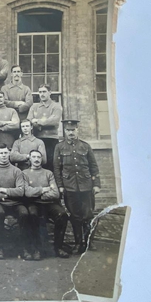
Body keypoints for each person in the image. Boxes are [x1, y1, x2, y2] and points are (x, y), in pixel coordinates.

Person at [53, 119, 101, 254]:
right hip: (70, 187)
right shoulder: (59, 147)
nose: (71, 133)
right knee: (75, 216)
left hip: (86, 186)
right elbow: (57, 169)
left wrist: (96, 184)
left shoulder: (85, 146)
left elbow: (93, 166)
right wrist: (60, 186)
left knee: (88, 215)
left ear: (77, 130)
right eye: (68, 130)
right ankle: (78, 243)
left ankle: (89, 242)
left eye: (73, 130)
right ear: (64, 131)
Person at [24, 149, 70, 259]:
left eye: (38, 157)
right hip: (33, 204)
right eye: (34, 157)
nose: (36, 159)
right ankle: (36, 249)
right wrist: (44, 189)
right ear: (29, 159)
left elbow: (55, 193)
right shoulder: (24, 173)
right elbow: (27, 192)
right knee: (32, 216)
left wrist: (39, 194)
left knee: (62, 215)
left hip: (49, 203)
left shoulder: (48, 173)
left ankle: (58, 247)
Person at [0, 144, 29, 260]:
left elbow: (20, 191)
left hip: (16, 203)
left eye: (5, 153)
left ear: (9, 153)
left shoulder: (17, 171)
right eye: (1, 153)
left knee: (24, 214)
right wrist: (7, 195)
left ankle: (23, 248)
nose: (4, 155)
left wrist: (3, 190)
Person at [27, 84, 63, 171]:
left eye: (44, 92)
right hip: (37, 139)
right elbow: (29, 120)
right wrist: (41, 124)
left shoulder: (56, 106)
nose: (42, 94)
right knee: (37, 162)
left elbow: (54, 120)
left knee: (51, 164)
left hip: (51, 139)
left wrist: (38, 122)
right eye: (40, 92)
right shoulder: (34, 107)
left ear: (49, 93)